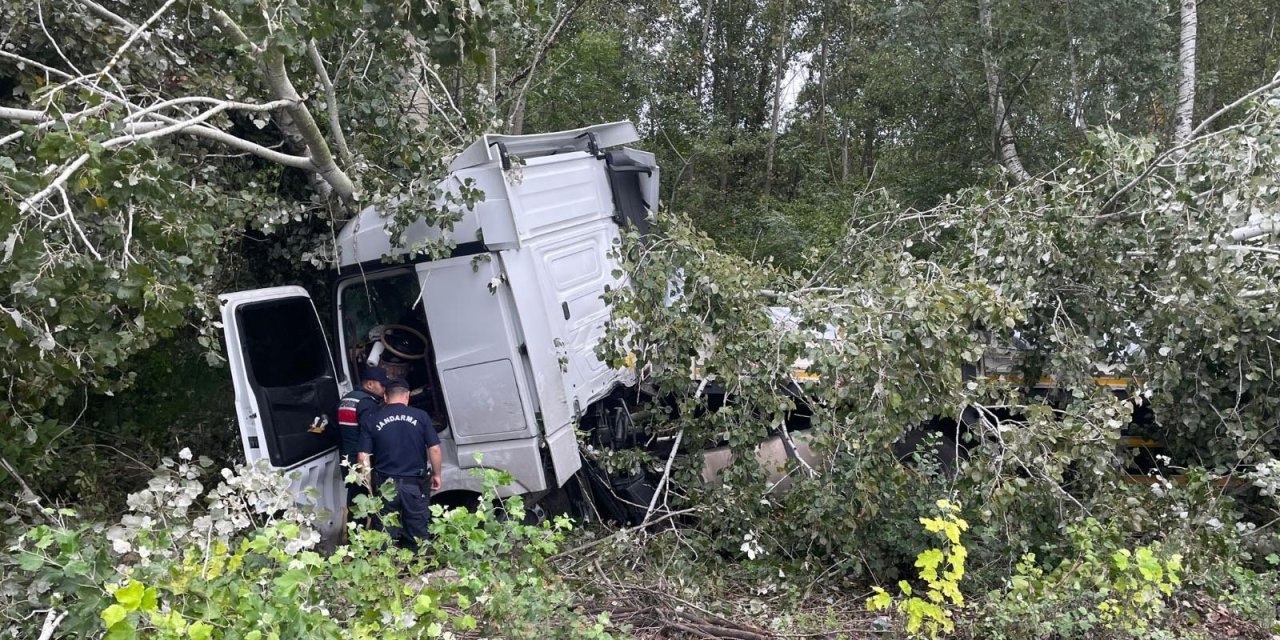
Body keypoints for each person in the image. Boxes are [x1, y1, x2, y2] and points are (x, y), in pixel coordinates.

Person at [357, 378, 442, 550]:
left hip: (385, 486)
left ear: (386, 397)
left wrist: (368, 486)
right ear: (407, 396)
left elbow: (362, 456)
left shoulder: (372, 420)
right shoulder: (421, 416)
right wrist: (436, 474)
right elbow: (434, 449)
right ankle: (421, 569)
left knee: (385, 532)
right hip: (414, 484)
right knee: (418, 532)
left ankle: (387, 571)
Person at [337, 366, 386, 533]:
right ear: (370, 384)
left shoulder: (347, 399)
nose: (385, 388)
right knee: (367, 505)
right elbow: (371, 434)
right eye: (382, 384)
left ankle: (353, 543)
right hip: (363, 462)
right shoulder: (367, 403)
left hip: (348, 462)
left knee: (355, 504)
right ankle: (365, 546)